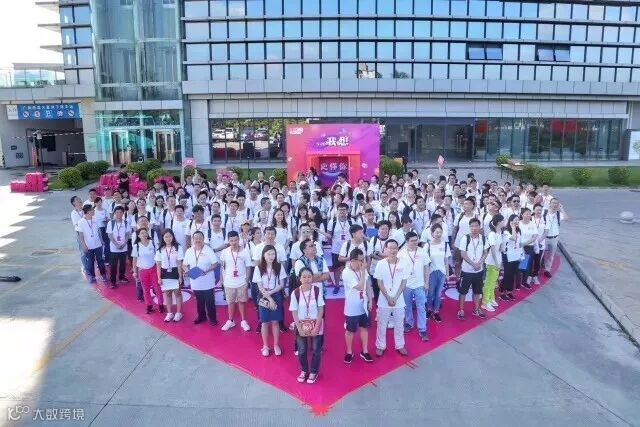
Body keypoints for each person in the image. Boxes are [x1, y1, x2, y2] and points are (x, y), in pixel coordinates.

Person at [373, 239, 410, 357]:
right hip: (384, 300)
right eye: (390, 248)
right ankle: (380, 346)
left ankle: (400, 345)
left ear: (398, 249)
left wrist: (396, 296)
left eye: (395, 248)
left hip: (399, 299)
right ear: (386, 249)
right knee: (382, 324)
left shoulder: (404, 263)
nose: (393, 250)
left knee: (399, 324)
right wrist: (388, 297)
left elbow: (404, 282)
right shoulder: (381, 264)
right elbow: (379, 283)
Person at [290, 267, 325, 384]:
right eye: (304, 277)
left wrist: (317, 326)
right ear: (299, 279)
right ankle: (304, 370)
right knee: (302, 350)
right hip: (301, 325)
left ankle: (314, 371)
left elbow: (321, 309)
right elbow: (294, 312)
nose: (306, 279)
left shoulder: (317, 291)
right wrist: (299, 328)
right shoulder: (295, 293)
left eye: (309, 276)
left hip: (316, 323)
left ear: (312, 278)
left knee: (316, 349)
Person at [253, 245, 287, 356]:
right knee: (264, 322)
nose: (271, 256)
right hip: (263, 295)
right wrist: (269, 298)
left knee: (275, 322)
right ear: (264, 255)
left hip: (275, 294)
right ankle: (265, 346)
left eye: (273, 254)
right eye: (269, 254)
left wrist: (271, 294)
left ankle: (276, 345)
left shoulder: (279, 267)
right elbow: (259, 286)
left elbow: (281, 284)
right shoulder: (258, 268)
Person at [341, 248, 374, 363]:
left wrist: (370, 300)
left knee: (364, 328)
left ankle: (365, 351)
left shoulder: (362, 269)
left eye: (363, 259)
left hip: (363, 305)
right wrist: (363, 271)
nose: (362, 263)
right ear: (352, 260)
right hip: (352, 307)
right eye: (360, 260)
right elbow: (360, 287)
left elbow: (368, 285)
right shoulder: (346, 272)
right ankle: (349, 352)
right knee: (350, 331)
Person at [399, 231, 431, 341]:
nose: (415, 242)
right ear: (406, 241)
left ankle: (422, 328)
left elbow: (426, 268)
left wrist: (426, 283)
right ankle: (409, 323)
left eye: (416, 240)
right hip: (406, 285)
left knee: (421, 307)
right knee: (407, 306)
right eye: (412, 241)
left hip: (420, 285)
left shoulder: (422, 252)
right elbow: (398, 270)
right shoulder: (401, 253)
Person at [182, 231, 219, 326]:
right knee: (199, 300)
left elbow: (215, 264)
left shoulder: (208, 250)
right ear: (192, 239)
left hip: (207, 280)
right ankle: (201, 316)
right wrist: (187, 271)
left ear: (203, 239)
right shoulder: (189, 251)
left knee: (210, 301)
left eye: (200, 238)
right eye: (196, 238)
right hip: (195, 281)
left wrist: (206, 271)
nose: (198, 240)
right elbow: (184, 265)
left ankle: (212, 318)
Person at [219, 231, 253, 332]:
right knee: (230, 302)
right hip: (228, 282)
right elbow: (222, 267)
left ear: (239, 240)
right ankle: (230, 321)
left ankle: (243, 321)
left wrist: (247, 280)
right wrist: (222, 279)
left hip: (242, 281)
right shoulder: (225, 252)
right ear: (228, 241)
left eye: (236, 240)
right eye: (231, 240)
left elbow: (248, 267)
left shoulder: (245, 251)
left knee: (242, 302)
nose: (234, 242)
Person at [457, 218, 489, 320]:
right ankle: (461, 310)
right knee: (463, 292)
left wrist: (479, 263)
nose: (474, 228)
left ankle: (476, 309)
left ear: (479, 227)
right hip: (467, 271)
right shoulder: (465, 238)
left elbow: (485, 252)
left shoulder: (483, 238)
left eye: (476, 226)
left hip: (479, 270)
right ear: (469, 227)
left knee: (477, 291)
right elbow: (463, 254)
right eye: (472, 226)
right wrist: (473, 264)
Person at [132, 227, 163, 314]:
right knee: (145, 289)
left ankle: (161, 305)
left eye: (145, 232)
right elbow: (134, 260)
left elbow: (158, 256)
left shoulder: (152, 243)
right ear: (138, 236)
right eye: (142, 233)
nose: (144, 234)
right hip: (143, 271)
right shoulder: (136, 246)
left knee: (157, 288)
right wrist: (135, 271)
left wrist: (160, 268)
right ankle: (149, 306)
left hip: (153, 269)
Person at [155, 229, 185, 322]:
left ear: (173, 237)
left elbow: (179, 263)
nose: (168, 238)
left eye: (170, 236)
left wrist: (180, 276)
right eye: (166, 237)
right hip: (164, 273)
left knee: (177, 293)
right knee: (167, 294)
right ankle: (169, 313)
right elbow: (158, 265)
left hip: (175, 272)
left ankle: (179, 313)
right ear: (163, 238)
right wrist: (159, 277)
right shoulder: (160, 249)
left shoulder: (178, 247)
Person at [425, 224, 451, 323]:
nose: (438, 234)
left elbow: (446, 260)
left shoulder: (445, 245)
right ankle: (429, 310)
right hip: (431, 272)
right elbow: (425, 262)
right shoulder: (428, 245)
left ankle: (436, 312)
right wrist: (425, 275)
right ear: (432, 233)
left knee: (438, 294)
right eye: (436, 232)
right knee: (430, 293)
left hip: (442, 272)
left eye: (440, 232)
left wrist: (447, 274)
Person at [77, 204, 107, 284]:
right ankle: (92, 276)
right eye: (92, 210)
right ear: (88, 211)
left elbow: (99, 231)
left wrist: (101, 240)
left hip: (98, 245)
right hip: (88, 246)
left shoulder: (95, 219)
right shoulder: (81, 222)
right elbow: (80, 236)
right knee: (90, 262)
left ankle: (104, 275)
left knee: (100, 260)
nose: (94, 211)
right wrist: (84, 245)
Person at [482, 215, 505, 312]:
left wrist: (504, 241)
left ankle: (491, 298)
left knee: (493, 281)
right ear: (499, 222)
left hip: (497, 261)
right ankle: (485, 302)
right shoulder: (492, 234)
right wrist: (496, 262)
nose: (504, 222)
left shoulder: (500, 233)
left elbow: (501, 249)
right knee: (488, 282)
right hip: (492, 262)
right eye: (503, 221)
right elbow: (492, 249)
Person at [542, 198, 567, 277]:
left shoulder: (559, 214)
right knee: (541, 254)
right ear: (550, 204)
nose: (554, 204)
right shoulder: (544, 212)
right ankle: (537, 268)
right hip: (544, 237)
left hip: (554, 238)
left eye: (556, 203)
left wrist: (562, 209)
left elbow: (566, 218)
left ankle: (547, 269)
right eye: (553, 203)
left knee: (551, 255)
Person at [106, 206, 130, 288]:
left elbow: (127, 234)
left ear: (123, 213)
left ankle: (121, 277)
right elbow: (110, 235)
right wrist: (116, 244)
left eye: (120, 212)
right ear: (114, 213)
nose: (119, 214)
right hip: (114, 248)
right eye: (117, 212)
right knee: (113, 265)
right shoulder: (111, 223)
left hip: (124, 247)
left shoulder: (126, 223)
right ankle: (113, 282)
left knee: (123, 264)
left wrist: (124, 243)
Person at [501, 214, 523, 301]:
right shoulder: (506, 231)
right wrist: (513, 228)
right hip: (507, 255)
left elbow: (519, 242)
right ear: (510, 221)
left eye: (518, 220)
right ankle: (502, 292)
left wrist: (521, 253)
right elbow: (513, 238)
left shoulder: (519, 231)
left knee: (513, 273)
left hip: (516, 254)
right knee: (507, 273)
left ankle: (509, 291)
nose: (517, 222)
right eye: (515, 220)